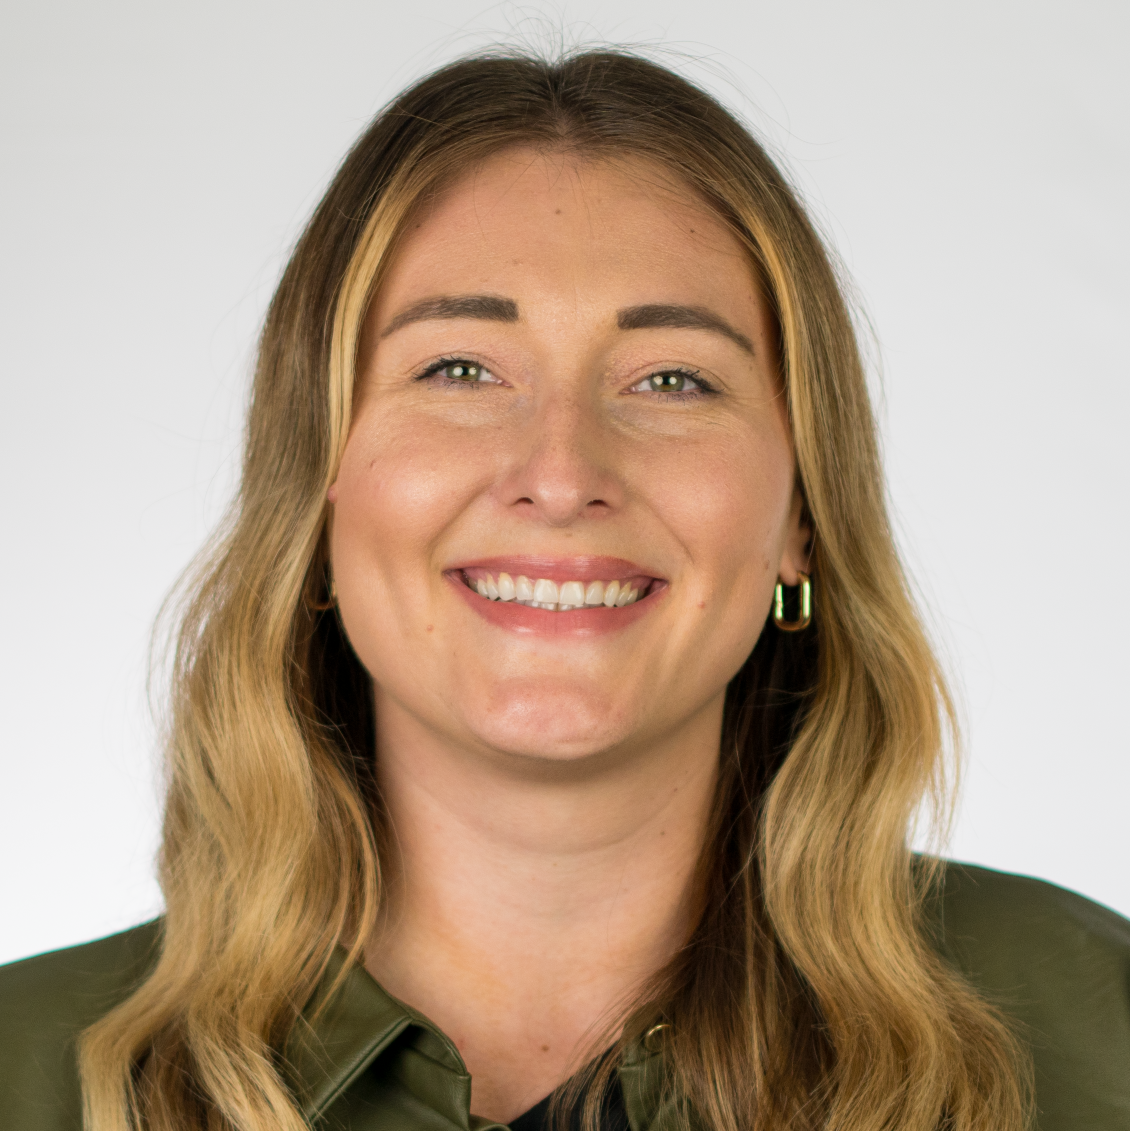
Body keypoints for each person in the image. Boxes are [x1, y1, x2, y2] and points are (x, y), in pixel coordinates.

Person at [1, 49, 1127, 1131]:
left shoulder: (1095, 1030)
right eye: (459, 370)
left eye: (672, 380)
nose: (560, 474)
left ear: (800, 516)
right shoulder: (27, 1072)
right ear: (320, 487)